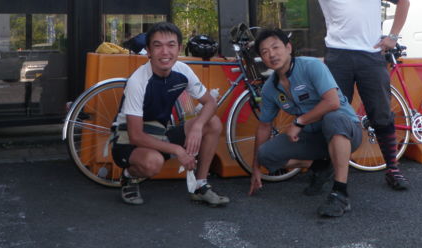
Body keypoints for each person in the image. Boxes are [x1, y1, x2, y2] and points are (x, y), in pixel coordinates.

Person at [283, 0, 411, 190]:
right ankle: (326, 168)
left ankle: (392, 168)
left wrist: (393, 36)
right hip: (337, 57)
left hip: (371, 55)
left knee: (381, 112)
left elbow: (403, 1)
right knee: (332, 113)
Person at [111, 21, 229, 206]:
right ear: (148, 51)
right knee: (153, 163)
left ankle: (200, 185)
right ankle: (128, 176)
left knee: (212, 123)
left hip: (160, 134)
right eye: (157, 46)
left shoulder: (183, 70)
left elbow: (210, 102)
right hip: (127, 141)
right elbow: (135, 136)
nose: (165, 52)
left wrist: (197, 127)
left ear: (179, 48)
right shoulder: (138, 81)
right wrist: (177, 150)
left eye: (171, 45)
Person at [248, 28, 362, 218]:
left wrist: (299, 122)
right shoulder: (269, 89)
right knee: (265, 154)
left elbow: (332, 102)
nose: (272, 55)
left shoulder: (311, 66)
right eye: (265, 52)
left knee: (333, 119)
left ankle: (340, 193)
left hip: (346, 131)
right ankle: (321, 167)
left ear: (288, 48)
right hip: (313, 137)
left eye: (275, 47)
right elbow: (264, 126)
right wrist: (255, 168)